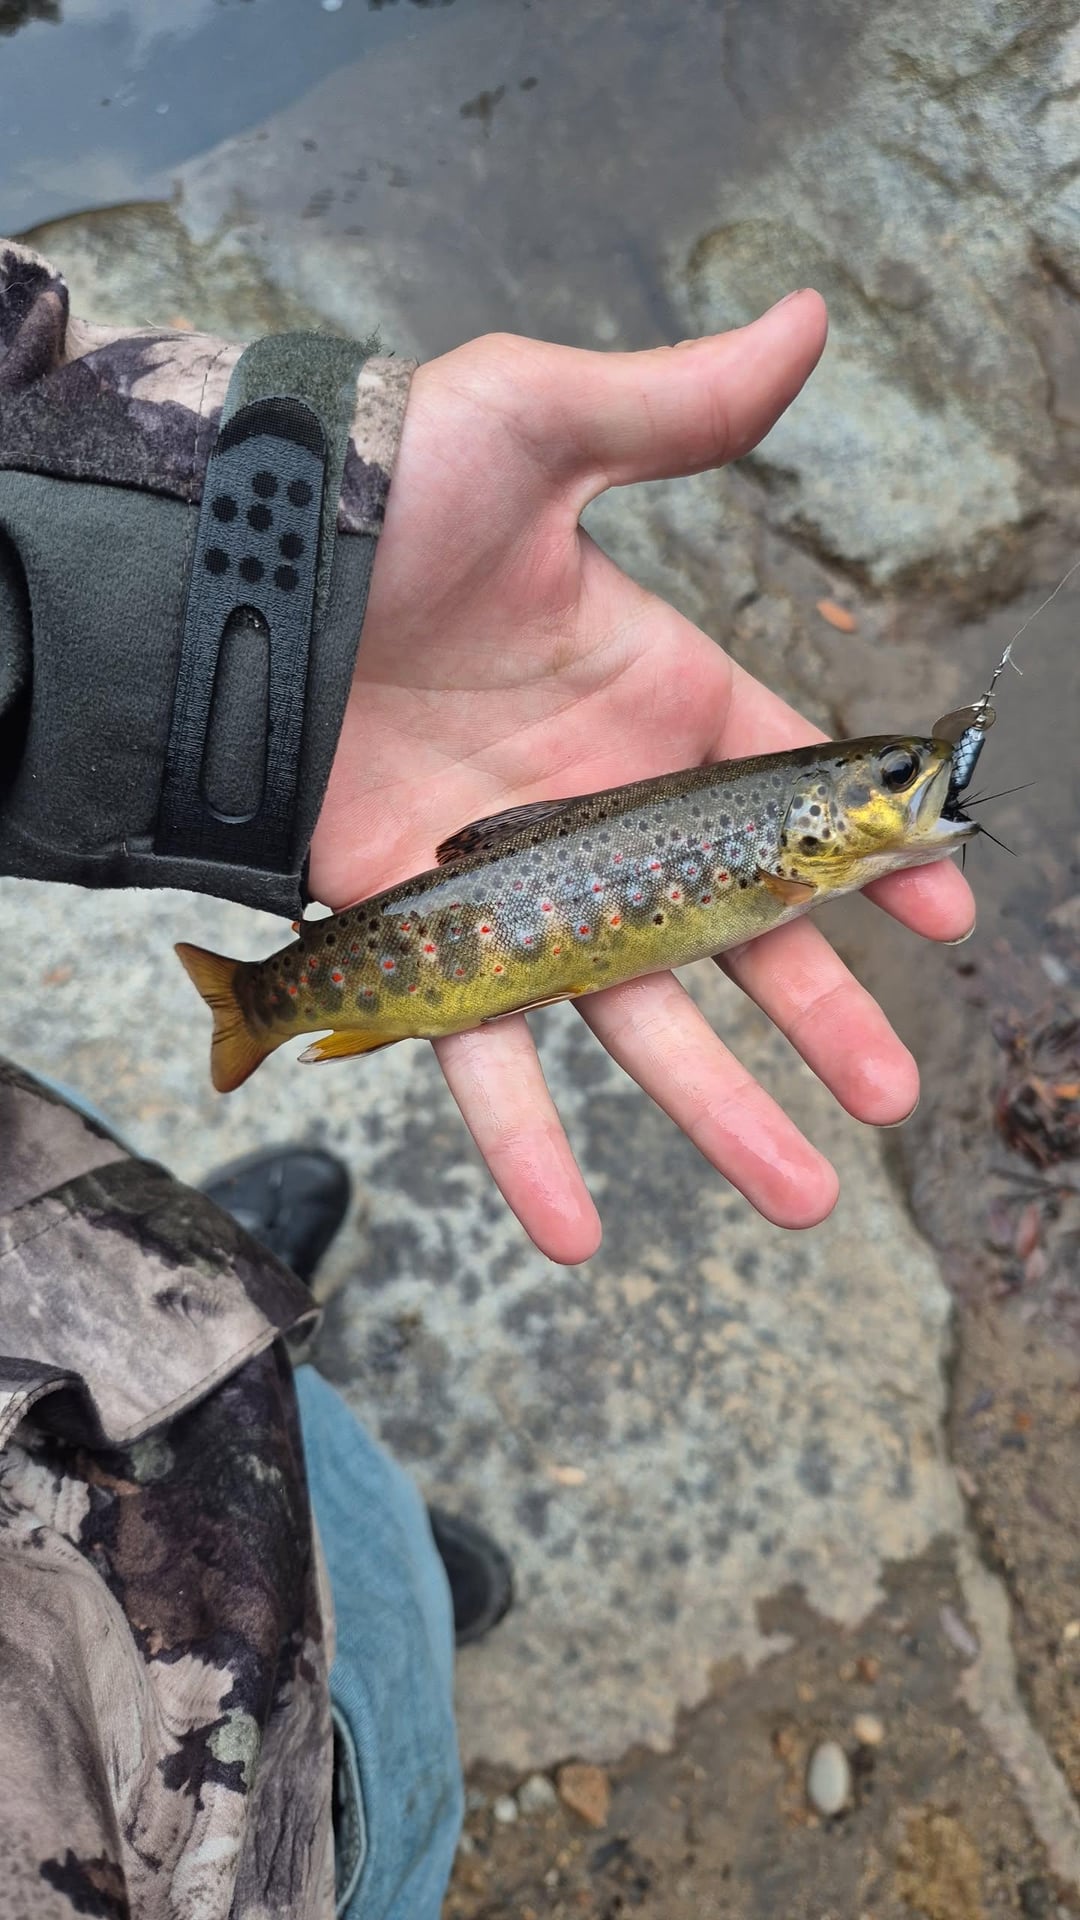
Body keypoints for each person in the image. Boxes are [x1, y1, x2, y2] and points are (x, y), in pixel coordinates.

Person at [0, 239, 974, 1919]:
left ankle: (209, 1334)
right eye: (888, 784)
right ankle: (377, 1619)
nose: (909, 792)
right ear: (821, 822)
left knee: (258, 1413)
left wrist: (237, 593)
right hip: (193, 1839)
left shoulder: (793, 833)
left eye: (894, 782)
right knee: (372, 1728)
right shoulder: (788, 836)